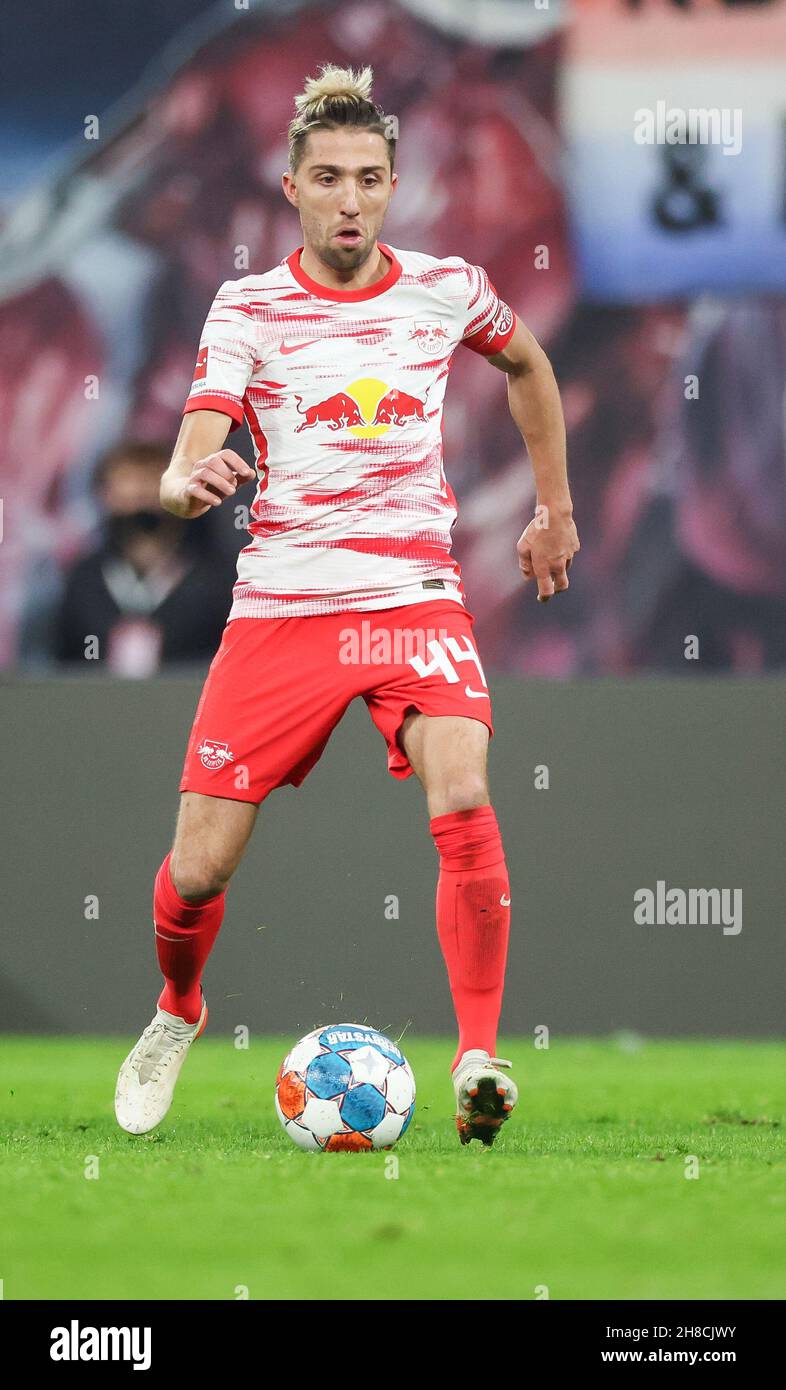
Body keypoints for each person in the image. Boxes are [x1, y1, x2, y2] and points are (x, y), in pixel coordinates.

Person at [115, 65, 579, 1145]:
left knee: (463, 781)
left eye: (370, 179)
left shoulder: (446, 286)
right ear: (292, 187)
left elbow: (529, 365)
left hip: (416, 594)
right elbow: (198, 440)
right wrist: (186, 481)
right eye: (329, 179)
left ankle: (476, 1057)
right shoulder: (249, 306)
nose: (352, 201)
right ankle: (179, 1007)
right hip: (284, 606)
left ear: (394, 184)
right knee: (199, 868)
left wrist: (554, 508)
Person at [55, 441, 235, 675]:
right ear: (104, 495)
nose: (142, 494)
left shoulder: (218, 580)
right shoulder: (85, 581)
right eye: (129, 482)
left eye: (152, 480)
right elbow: (63, 666)